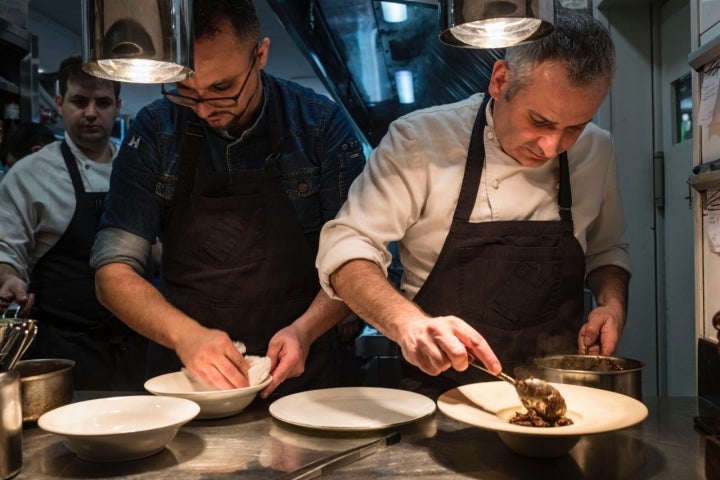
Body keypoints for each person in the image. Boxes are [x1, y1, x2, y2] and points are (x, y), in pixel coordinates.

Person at [316, 11, 631, 391]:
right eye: (540, 121)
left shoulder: (597, 150)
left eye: (574, 127)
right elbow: (346, 247)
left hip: (561, 395)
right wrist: (408, 323)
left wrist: (611, 305)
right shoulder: (419, 141)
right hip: (439, 394)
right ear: (500, 81)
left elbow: (606, 250)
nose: (551, 147)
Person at [90, 0, 365, 398]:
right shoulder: (154, 131)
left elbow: (355, 262)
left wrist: (305, 331)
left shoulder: (320, 127)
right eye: (186, 89)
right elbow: (112, 272)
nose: (203, 110)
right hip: (187, 380)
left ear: (261, 54)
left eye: (222, 88)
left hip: (300, 377)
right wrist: (186, 335)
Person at [0, 55, 148, 389]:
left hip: (135, 345)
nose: (92, 113)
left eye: (103, 102)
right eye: (80, 102)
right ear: (59, 103)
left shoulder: (137, 166)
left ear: (117, 105)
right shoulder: (31, 174)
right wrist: (9, 278)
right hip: (64, 353)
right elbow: (7, 248)